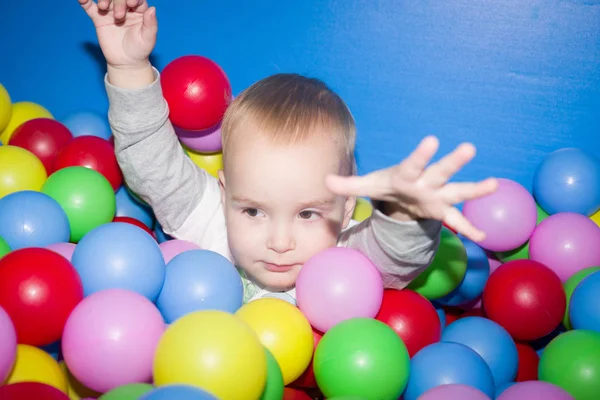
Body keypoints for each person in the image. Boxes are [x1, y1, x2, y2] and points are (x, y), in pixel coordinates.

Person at [79, 0, 498, 304]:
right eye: (253, 211)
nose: (279, 242)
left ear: (347, 209)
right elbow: (154, 166)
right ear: (224, 194)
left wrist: (407, 215)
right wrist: (128, 68)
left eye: (307, 213)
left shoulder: (343, 258)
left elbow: (394, 260)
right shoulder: (210, 223)